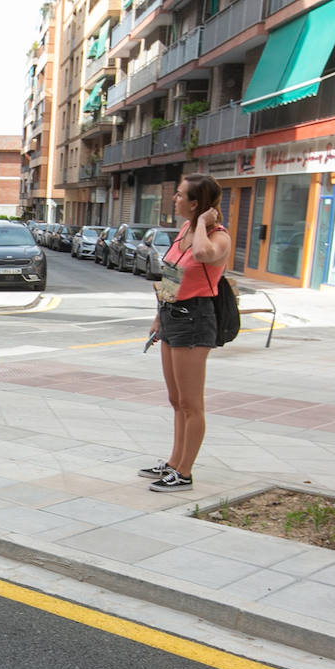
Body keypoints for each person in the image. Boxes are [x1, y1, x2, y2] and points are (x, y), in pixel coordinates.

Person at [142, 173, 231, 493]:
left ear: (196, 204)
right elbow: (172, 272)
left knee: (192, 403)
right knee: (176, 399)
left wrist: (204, 224)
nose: (174, 199)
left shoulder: (217, 237)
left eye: (180, 196)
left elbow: (204, 256)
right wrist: (158, 317)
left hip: (195, 318)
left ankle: (185, 471)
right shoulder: (184, 229)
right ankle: (174, 462)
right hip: (171, 315)